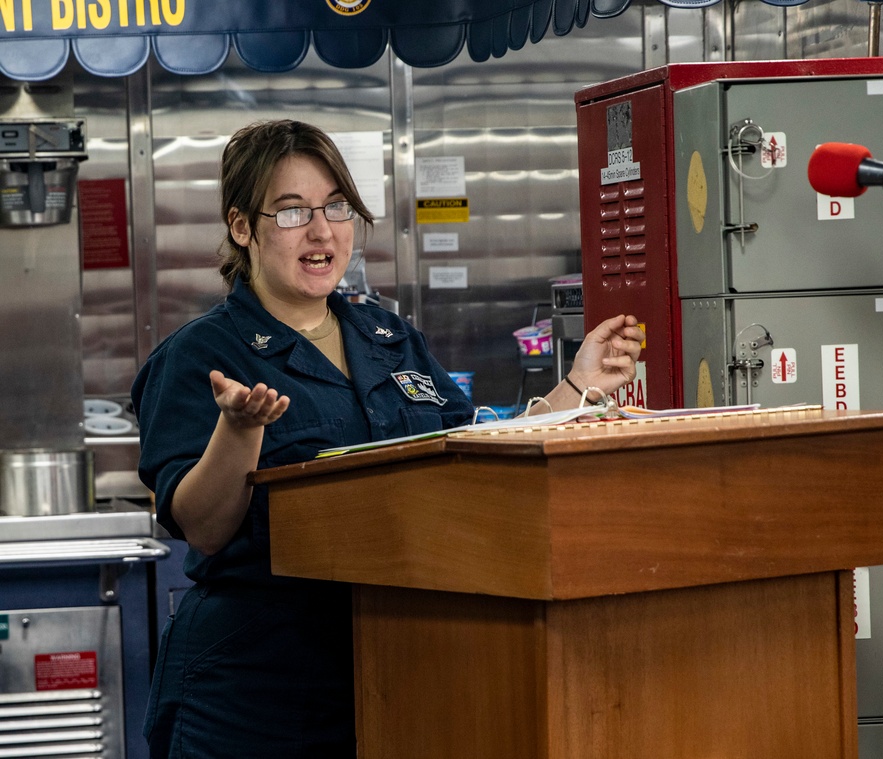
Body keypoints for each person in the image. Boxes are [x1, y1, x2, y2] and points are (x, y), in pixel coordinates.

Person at [133, 118, 646, 758]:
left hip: (398, 668)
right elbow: (202, 527)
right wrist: (238, 432)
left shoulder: (388, 337)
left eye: (337, 207)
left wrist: (576, 388)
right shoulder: (201, 353)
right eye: (292, 212)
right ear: (243, 228)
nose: (322, 231)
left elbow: (466, 462)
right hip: (257, 689)